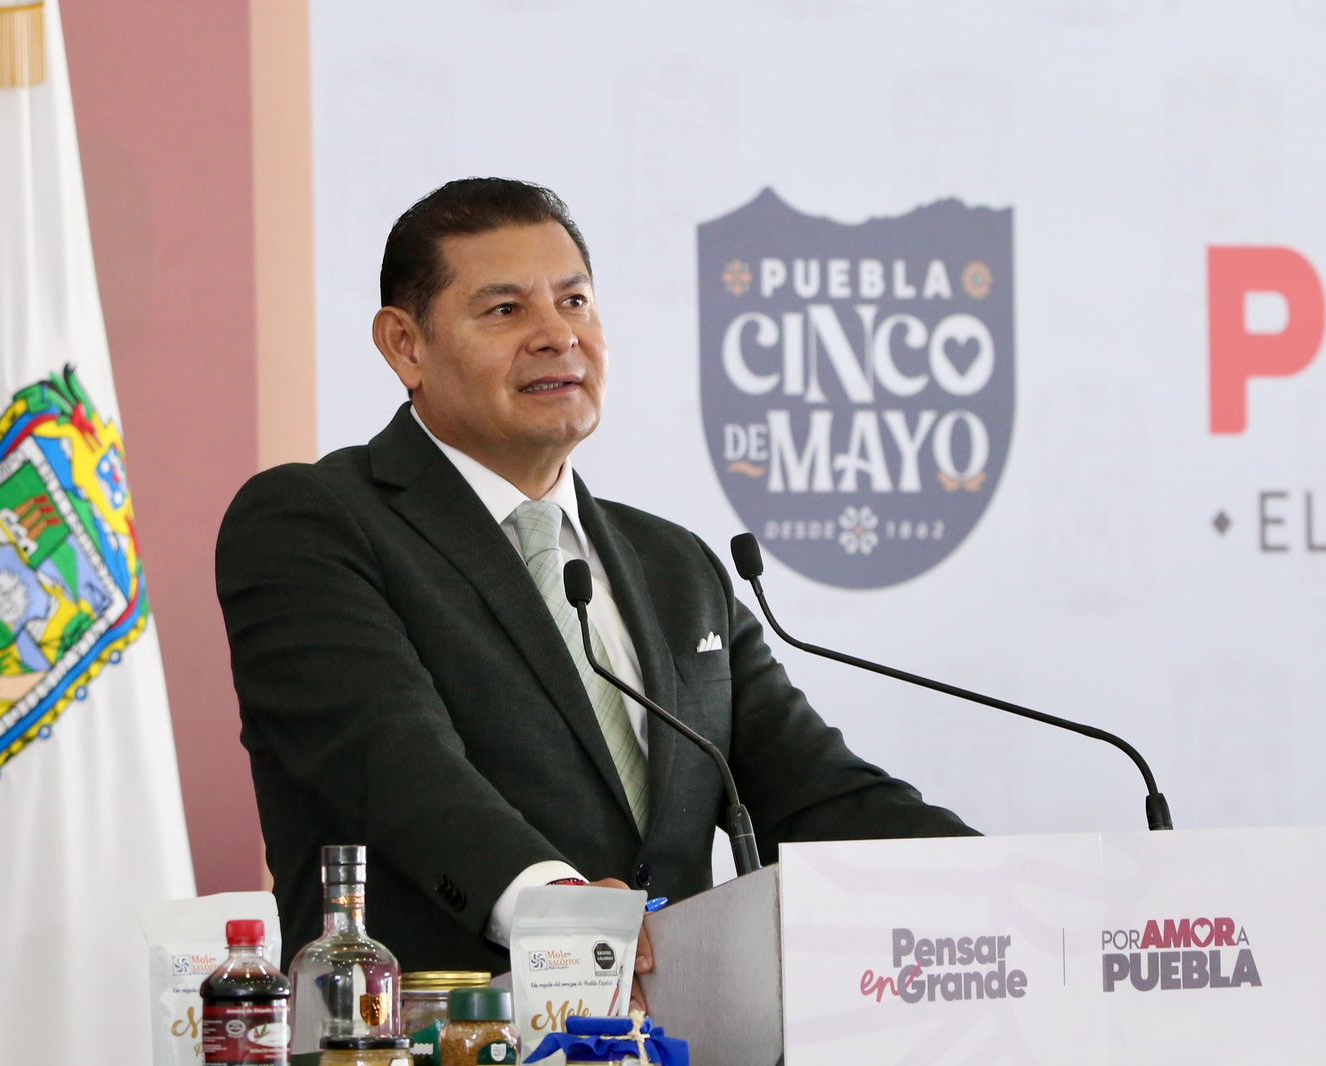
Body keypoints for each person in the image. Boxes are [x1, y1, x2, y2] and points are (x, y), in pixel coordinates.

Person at [215, 178, 975, 982]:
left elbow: (816, 794)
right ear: (406, 344)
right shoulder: (313, 523)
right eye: (504, 309)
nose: (556, 335)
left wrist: (1006, 881)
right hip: (434, 1027)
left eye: (574, 301)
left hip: (678, 1032)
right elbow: (397, 767)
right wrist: (561, 908)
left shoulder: (674, 564)